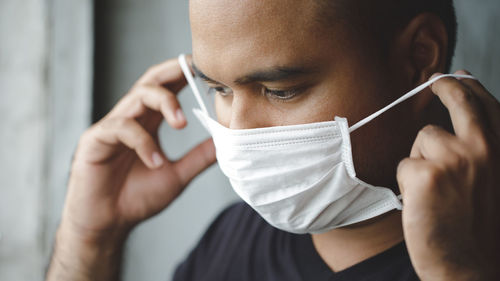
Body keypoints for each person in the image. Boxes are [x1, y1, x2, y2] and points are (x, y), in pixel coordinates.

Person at [45, 0, 500, 280]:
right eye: (218, 89)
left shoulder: (478, 257)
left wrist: (459, 273)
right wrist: (91, 240)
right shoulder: (230, 240)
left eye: (280, 90)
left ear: (418, 56)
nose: (238, 135)